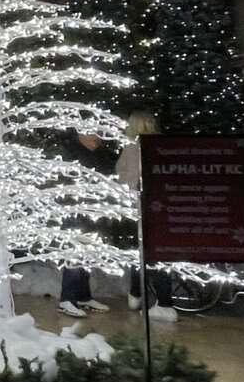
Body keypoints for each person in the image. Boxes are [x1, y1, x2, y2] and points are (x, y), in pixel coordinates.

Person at [118, 111, 178, 323]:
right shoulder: (163, 146)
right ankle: (138, 293)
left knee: (145, 252)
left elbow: (129, 179)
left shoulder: (134, 147)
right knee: (150, 253)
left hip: (142, 207)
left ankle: (161, 301)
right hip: (164, 208)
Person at [59, 132, 113, 316]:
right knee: (75, 254)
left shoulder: (100, 153)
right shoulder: (71, 152)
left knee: (88, 254)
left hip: (94, 210)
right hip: (75, 209)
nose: (97, 137)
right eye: (91, 133)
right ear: (80, 133)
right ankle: (67, 299)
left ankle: (83, 296)